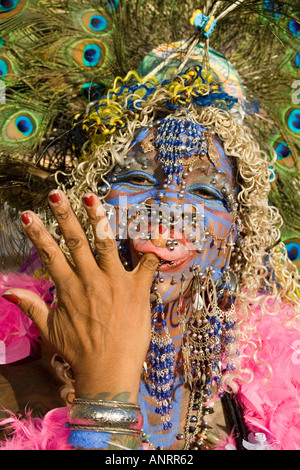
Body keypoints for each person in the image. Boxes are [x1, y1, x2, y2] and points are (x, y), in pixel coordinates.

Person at [0, 63, 299, 451]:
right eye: (137, 179)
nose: (170, 205)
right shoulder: (11, 386)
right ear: (86, 203)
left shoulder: (273, 390)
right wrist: (105, 389)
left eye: (207, 193)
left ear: (238, 239)